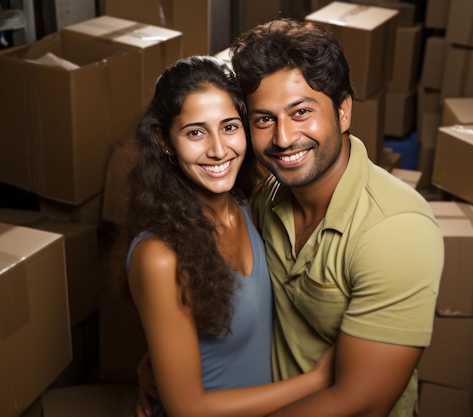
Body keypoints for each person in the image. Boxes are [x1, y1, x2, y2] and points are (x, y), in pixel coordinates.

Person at [136, 19, 444, 417]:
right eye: (264, 119)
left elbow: (361, 404)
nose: (283, 138)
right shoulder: (266, 200)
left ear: (344, 111)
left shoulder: (395, 230)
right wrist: (161, 363)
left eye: (301, 112)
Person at [116, 55, 333, 417]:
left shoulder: (249, 205)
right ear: (165, 141)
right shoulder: (160, 256)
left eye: (230, 127)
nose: (218, 149)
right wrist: (318, 380)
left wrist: (157, 361)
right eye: (195, 132)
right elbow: (188, 408)